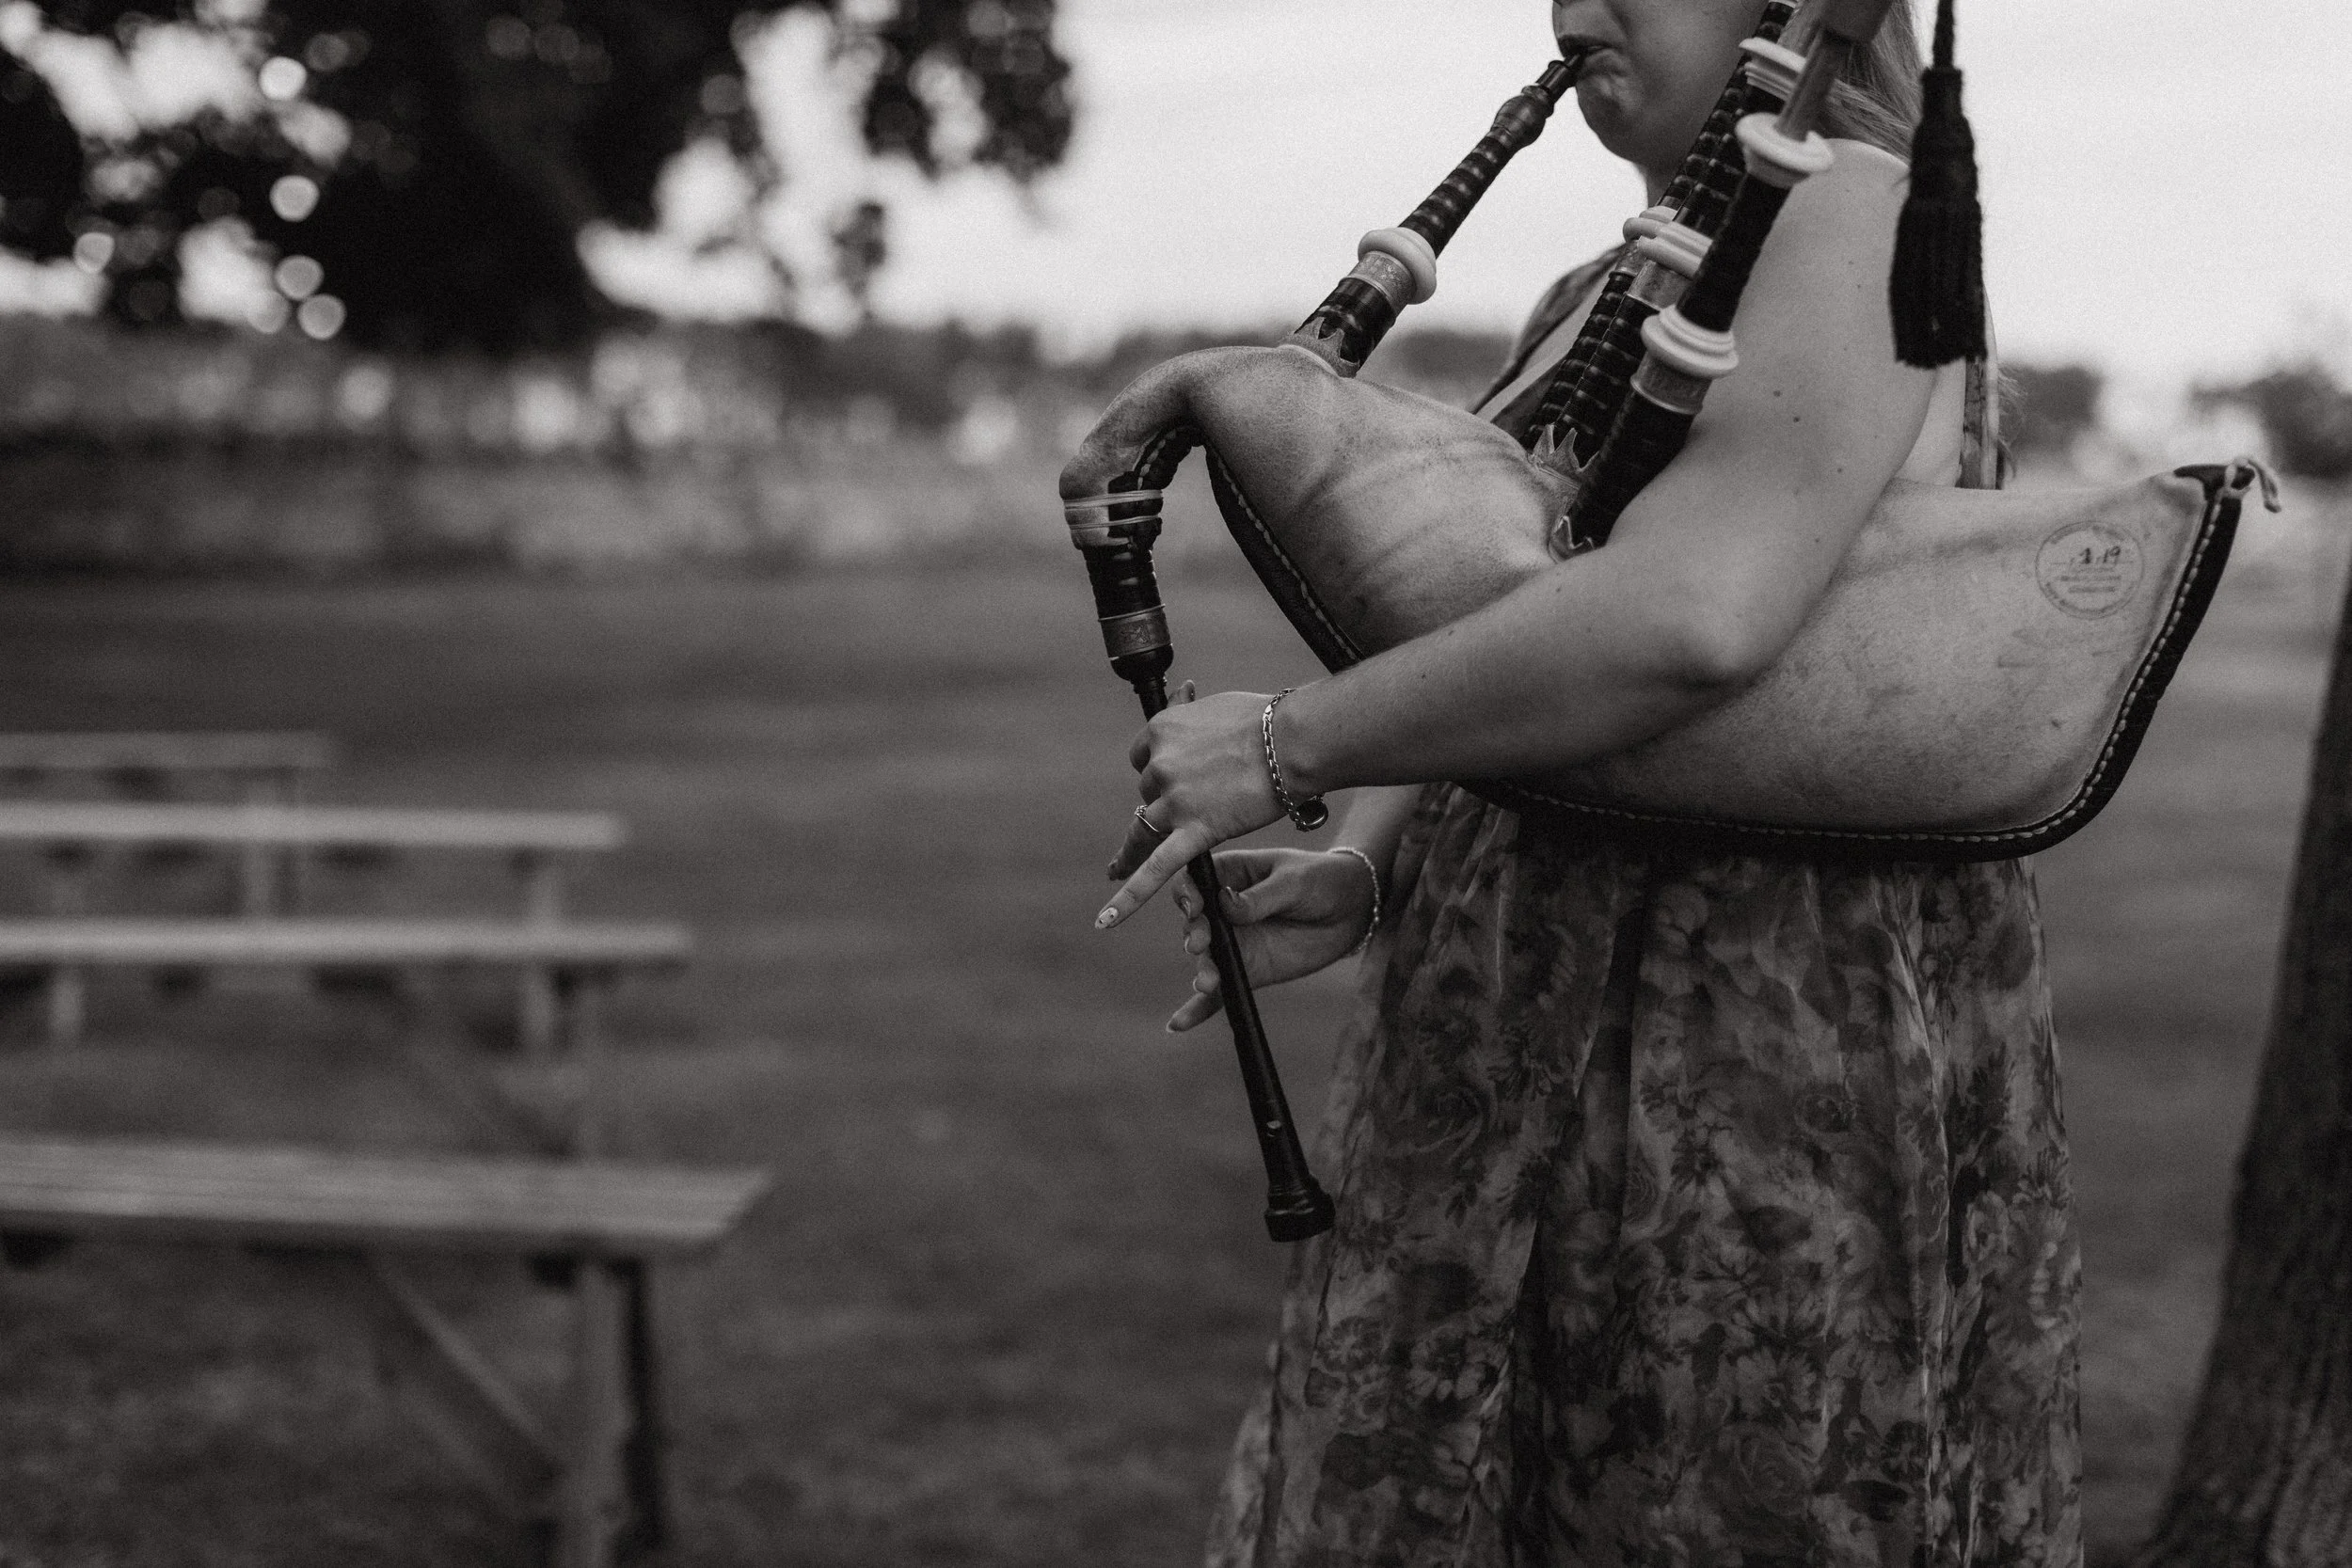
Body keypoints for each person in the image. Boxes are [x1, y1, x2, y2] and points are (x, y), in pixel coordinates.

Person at [1084, 0, 2078, 1563]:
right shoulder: (1598, 291)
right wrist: (1365, 854)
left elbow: (1695, 615)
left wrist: (1293, 742)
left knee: (1692, 1490)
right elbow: (1521, 601)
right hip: (1522, 1004)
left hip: (1736, 1037)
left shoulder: (1850, 217)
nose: (1569, 12)